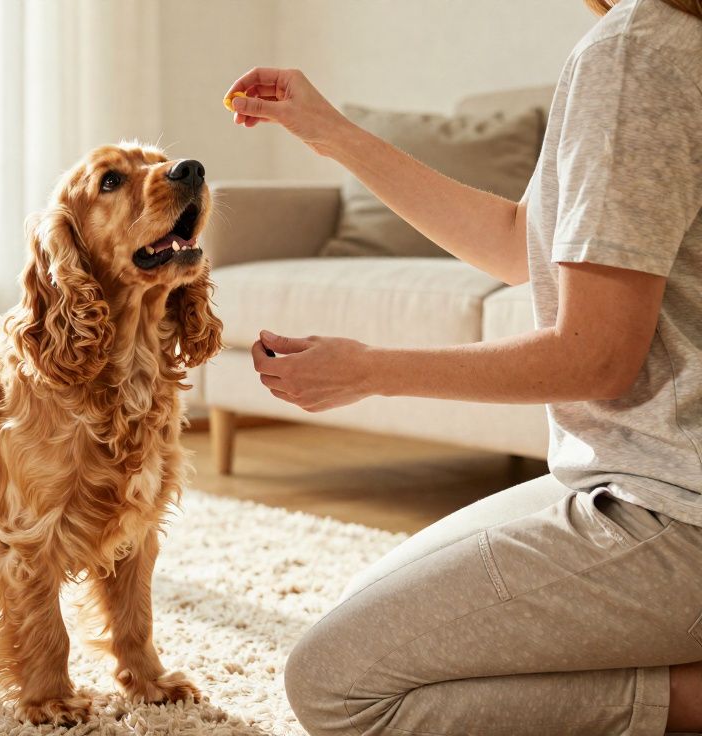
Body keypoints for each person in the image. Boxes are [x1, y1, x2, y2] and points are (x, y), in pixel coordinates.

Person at [224, 0, 702, 733]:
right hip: (638, 479)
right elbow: (520, 244)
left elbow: (599, 356)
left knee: (335, 686)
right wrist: (330, 133)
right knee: (370, 619)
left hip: (675, 510)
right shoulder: (654, 42)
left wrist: (368, 370)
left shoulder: (636, 50)